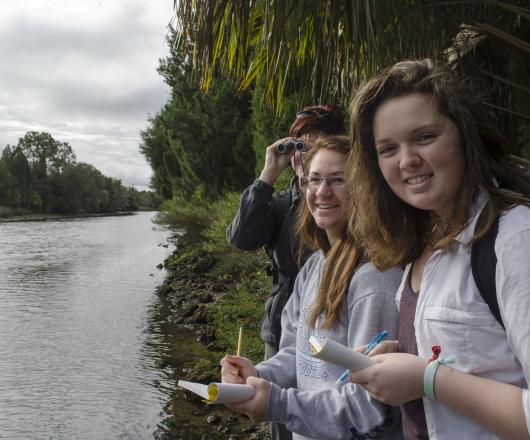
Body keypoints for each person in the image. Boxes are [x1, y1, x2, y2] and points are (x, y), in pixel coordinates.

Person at [347, 59, 530, 440]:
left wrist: (428, 379)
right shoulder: (423, 238)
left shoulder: (514, 238)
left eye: (425, 137)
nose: (407, 160)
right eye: (387, 148)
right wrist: (402, 358)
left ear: (464, 135)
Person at [220, 136, 403, 440]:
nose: (322, 192)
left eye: (338, 180)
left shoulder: (375, 280)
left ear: (364, 189)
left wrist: (278, 403)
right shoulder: (314, 266)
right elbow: (296, 352)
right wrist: (257, 374)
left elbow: (367, 408)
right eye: (314, 180)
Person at [227, 105, 345, 358]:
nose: (304, 155)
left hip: (338, 325)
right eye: (299, 147)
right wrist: (267, 174)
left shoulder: (348, 200)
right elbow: (241, 239)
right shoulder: (280, 204)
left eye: (315, 148)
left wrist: (312, 187)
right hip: (283, 329)